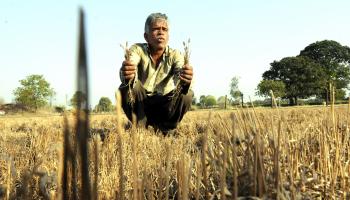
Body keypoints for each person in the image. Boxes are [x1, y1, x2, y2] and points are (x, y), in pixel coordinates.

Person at [118, 12, 193, 134]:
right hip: (143, 106)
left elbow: (180, 73)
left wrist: (185, 78)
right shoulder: (137, 50)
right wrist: (127, 74)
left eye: (164, 29)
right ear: (146, 36)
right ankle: (141, 129)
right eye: (156, 29)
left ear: (168, 36)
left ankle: (167, 128)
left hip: (166, 105)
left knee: (187, 94)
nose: (161, 32)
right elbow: (130, 64)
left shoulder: (176, 55)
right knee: (125, 87)